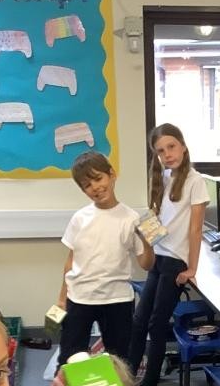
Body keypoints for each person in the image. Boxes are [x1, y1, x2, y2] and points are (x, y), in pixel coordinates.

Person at [127, 124, 209, 386]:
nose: (167, 154)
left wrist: (192, 269)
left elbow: (196, 229)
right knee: (139, 321)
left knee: (156, 324)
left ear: (183, 146)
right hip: (159, 256)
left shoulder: (196, 181)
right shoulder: (164, 177)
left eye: (171, 147)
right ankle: (128, 382)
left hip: (176, 261)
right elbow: (160, 219)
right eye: (161, 151)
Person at [57, 152, 155, 364]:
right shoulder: (80, 218)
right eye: (87, 185)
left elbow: (146, 264)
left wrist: (147, 242)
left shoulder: (131, 218)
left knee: (119, 361)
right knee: (69, 359)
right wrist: (62, 299)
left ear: (112, 175)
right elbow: (70, 261)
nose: (95, 187)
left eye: (98, 178)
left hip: (117, 299)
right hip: (80, 297)